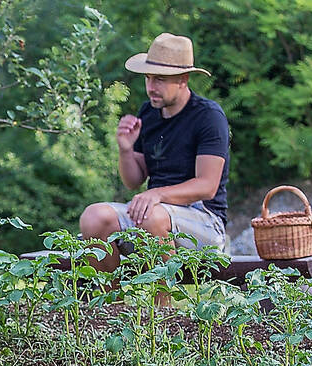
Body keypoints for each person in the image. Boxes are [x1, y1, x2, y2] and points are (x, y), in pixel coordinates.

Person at [79, 32, 230, 287]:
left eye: (160, 79)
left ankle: (161, 313)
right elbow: (133, 181)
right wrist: (125, 149)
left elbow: (207, 186)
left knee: (152, 216)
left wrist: (157, 194)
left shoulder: (208, 117)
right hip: (153, 217)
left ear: (183, 80)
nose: (150, 87)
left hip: (204, 221)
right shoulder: (149, 112)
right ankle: (109, 309)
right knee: (94, 217)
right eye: (148, 78)